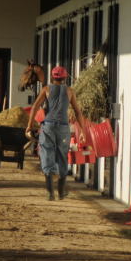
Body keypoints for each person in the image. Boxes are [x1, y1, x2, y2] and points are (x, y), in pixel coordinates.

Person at [26, 66, 85, 200]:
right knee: (62, 156)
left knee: (47, 154)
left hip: (48, 126)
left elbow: (35, 106)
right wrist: (83, 131)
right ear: (65, 78)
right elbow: (77, 112)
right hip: (63, 128)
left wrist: (29, 126)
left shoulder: (46, 89)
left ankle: (49, 192)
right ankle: (61, 191)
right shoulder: (70, 91)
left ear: (52, 77)